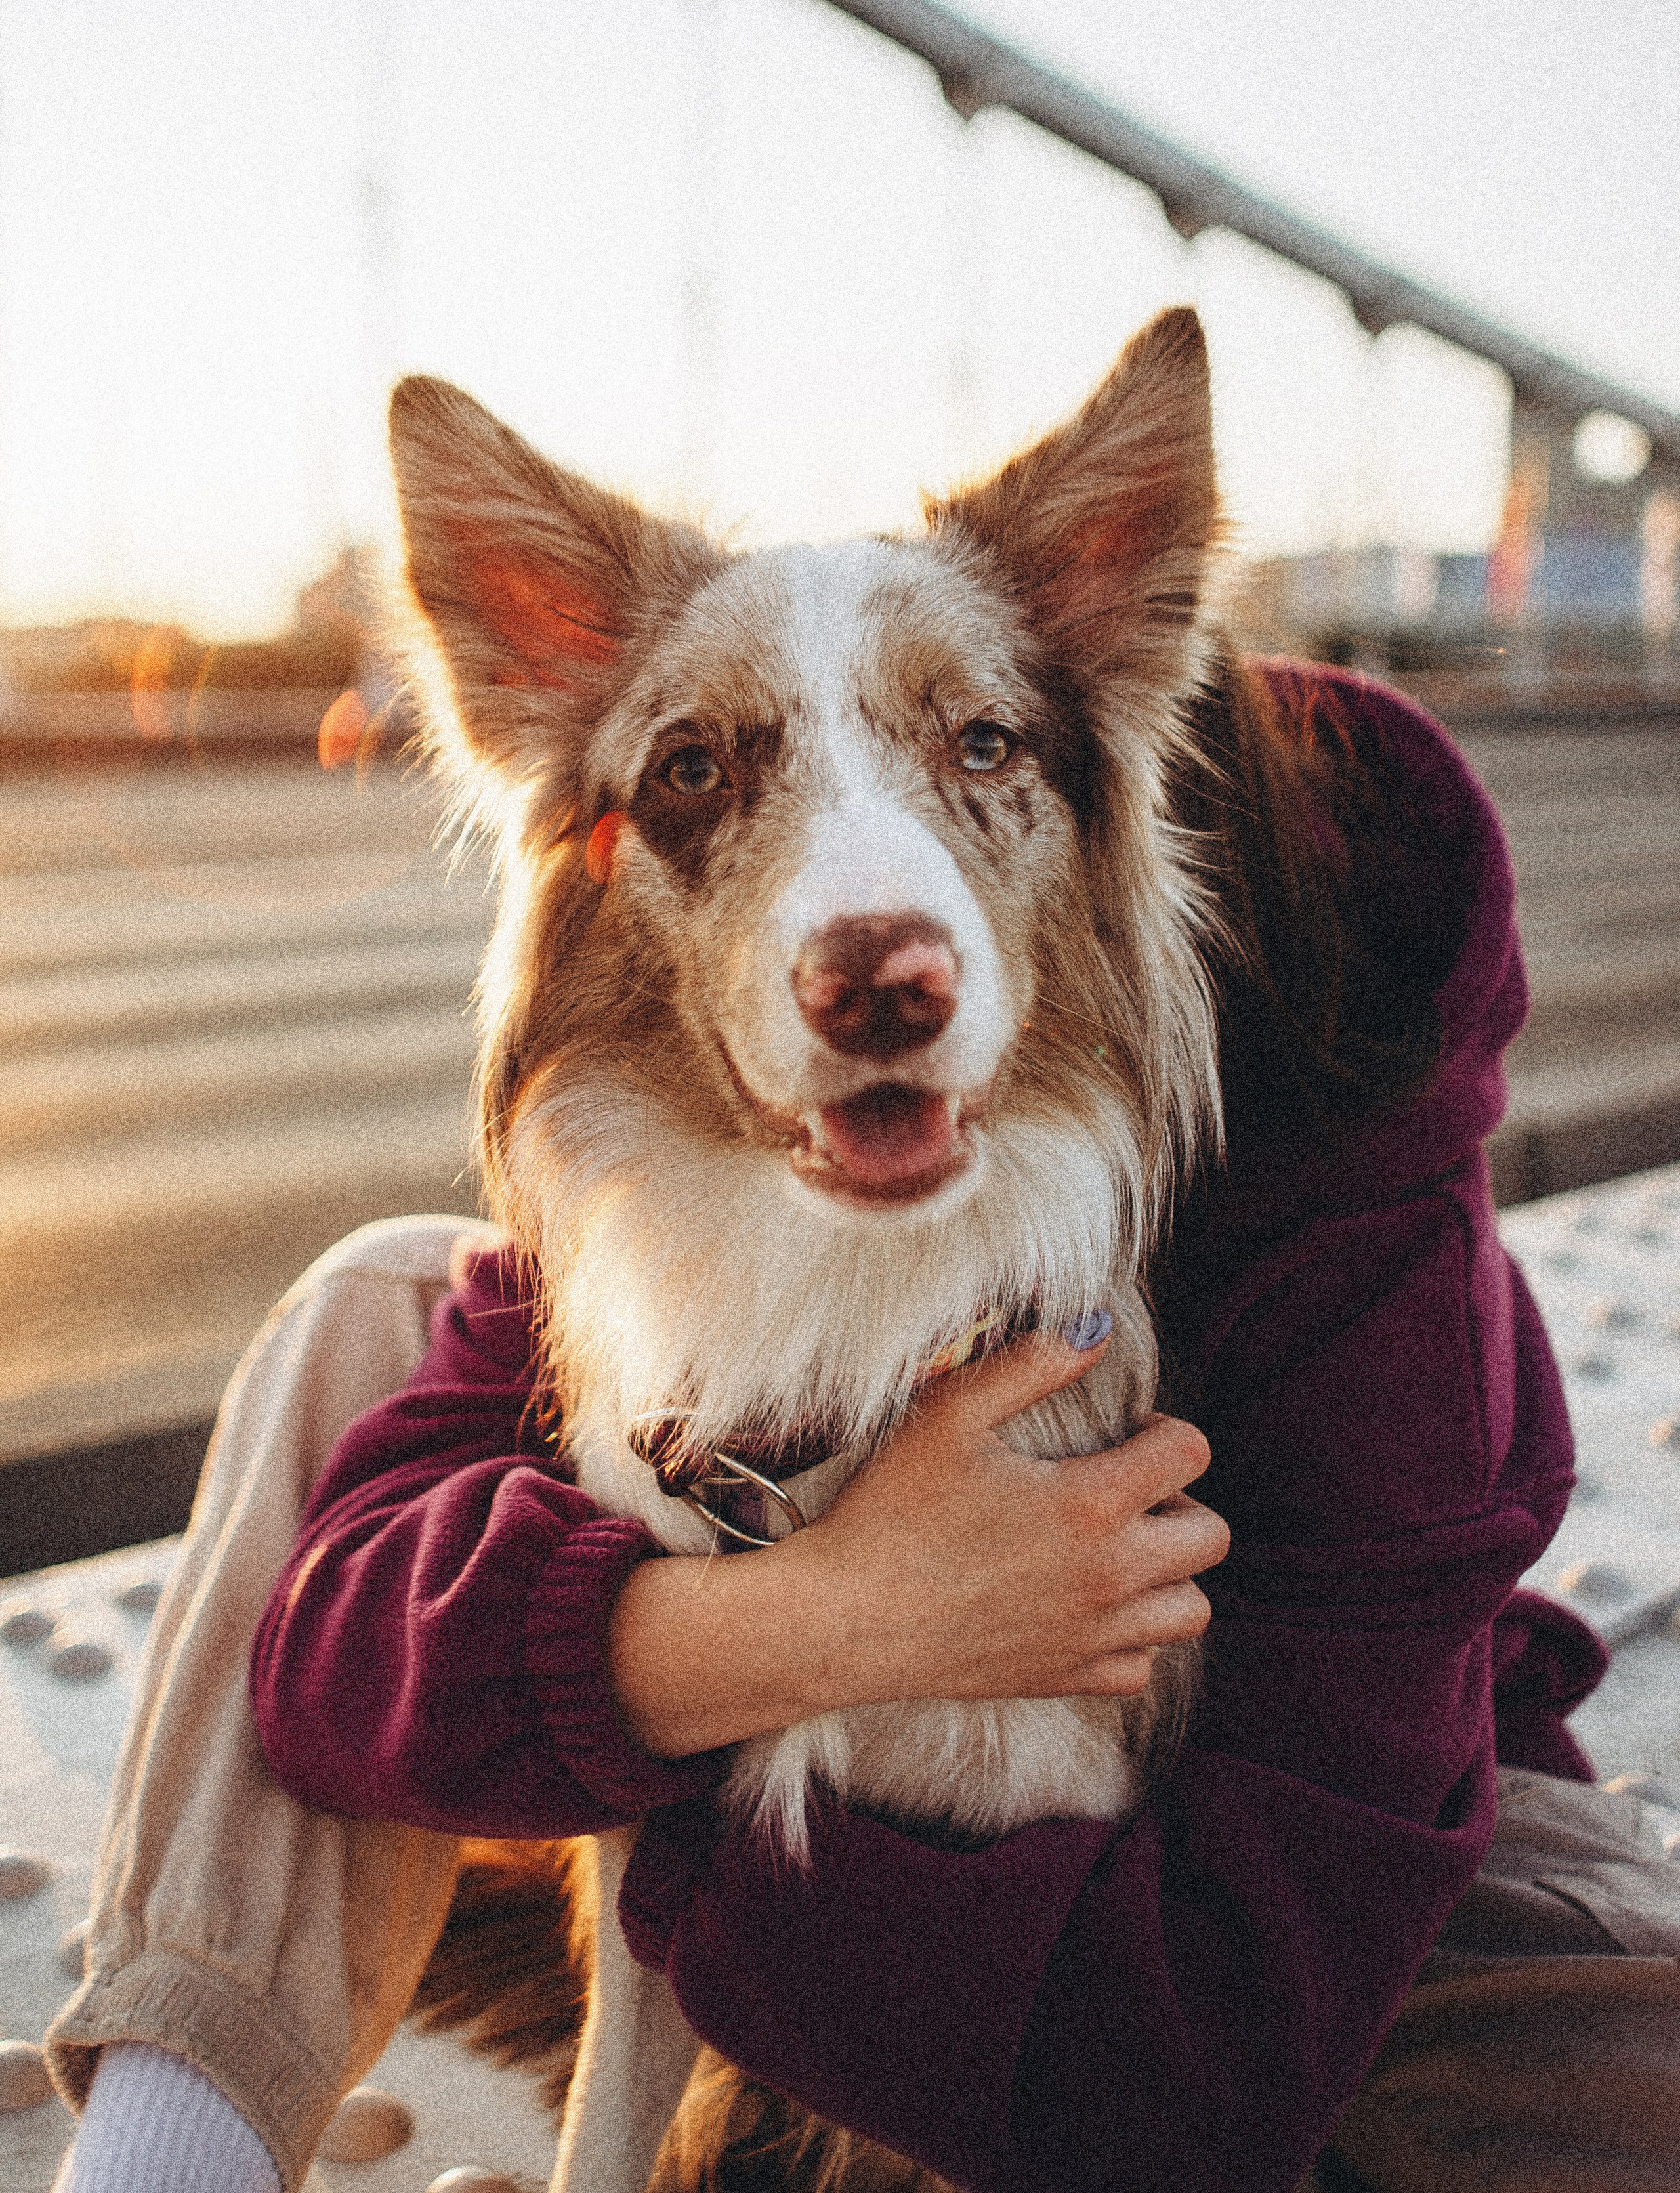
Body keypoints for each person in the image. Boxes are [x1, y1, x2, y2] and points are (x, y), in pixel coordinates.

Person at [45, 660, 1680, 2193]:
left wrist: (665, 1808)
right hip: (831, 1854)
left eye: (978, 754)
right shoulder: (728, 1062)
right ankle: (166, 2148)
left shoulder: (1360, 1198)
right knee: (390, 1291)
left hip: (1273, 1888)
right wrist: (792, 1630)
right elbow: (325, 1666)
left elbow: (1190, 2085)